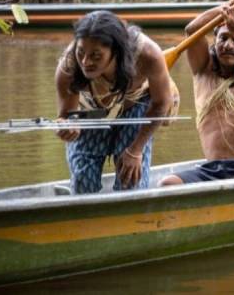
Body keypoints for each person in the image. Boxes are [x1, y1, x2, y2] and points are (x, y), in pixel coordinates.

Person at [159, 0, 234, 186]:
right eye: (223, 38)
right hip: (213, 169)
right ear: (214, 42)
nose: (229, 45)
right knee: (169, 183)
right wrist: (230, 4)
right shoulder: (202, 71)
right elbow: (191, 31)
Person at [55, 10, 173, 194]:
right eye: (81, 52)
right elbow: (66, 115)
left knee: (130, 183)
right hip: (91, 110)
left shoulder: (147, 54)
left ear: (116, 51)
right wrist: (67, 126)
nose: (85, 62)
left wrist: (135, 150)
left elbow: (161, 103)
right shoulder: (69, 65)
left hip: (136, 107)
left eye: (96, 56)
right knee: (83, 184)